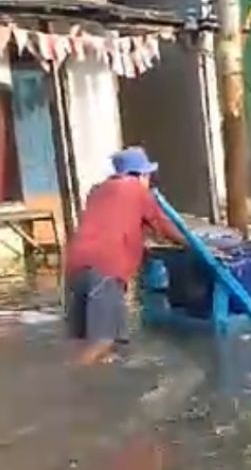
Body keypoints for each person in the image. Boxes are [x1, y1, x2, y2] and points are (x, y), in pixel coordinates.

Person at [64, 146, 184, 365]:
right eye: (148, 175)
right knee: (103, 341)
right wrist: (193, 245)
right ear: (140, 174)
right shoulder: (137, 191)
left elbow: (111, 225)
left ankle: (89, 387)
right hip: (106, 266)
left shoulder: (97, 191)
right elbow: (164, 226)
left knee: (83, 340)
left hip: (74, 264)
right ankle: (64, 385)